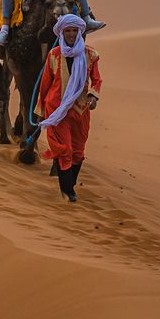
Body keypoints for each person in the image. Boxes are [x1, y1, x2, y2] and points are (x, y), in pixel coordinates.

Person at [36, 14, 102, 202]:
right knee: (65, 149)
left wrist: (93, 96)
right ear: (62, 33)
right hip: (57, 110)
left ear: (80, 31)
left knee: (78, 152)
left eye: (74, 30)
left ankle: (70, 186)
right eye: (68, 31)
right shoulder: (54, 55)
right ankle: (67, 192)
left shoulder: (91, 55)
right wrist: (41, 111)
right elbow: (45, 85)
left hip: (81, 110)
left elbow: (97, 80)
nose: (71, 34)